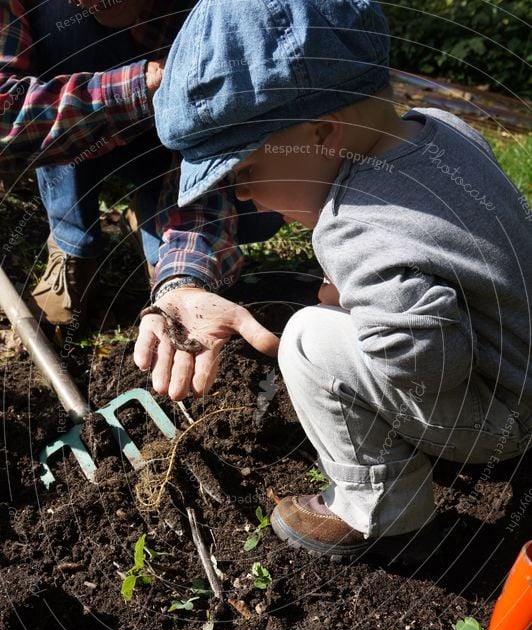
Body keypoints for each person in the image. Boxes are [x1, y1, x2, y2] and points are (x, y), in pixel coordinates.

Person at [136, 0, 532, 562]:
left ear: (321, 134)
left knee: (306, 342)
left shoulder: (353, 228)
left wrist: (364, 315)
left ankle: (378, 507)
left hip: (498, 419)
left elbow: (433, 363)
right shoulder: (446, 130)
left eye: (245, 173)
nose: (240, 194)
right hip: (521, 359)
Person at [0, 0, 281, 326]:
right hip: (87, 121)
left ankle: (155, 215)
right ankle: (72, 243)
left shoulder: (235, 12)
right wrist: (150, 84)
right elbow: (5, 121)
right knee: (58, 19)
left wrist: (183, 273)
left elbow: (231, 132)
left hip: (177, 139)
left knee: (264, 209)